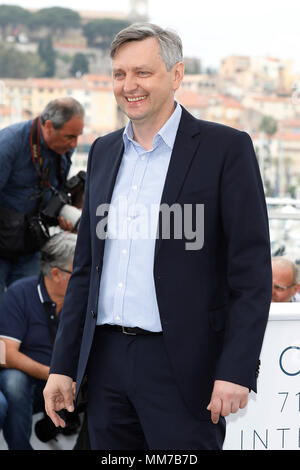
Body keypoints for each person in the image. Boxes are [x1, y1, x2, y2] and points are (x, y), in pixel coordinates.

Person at [44, 23, 272, 450]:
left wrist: (236, 370)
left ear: (177, 75)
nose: (129, 86)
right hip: (107, 365)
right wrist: (64, 365)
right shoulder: (104, 150)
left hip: (185, 368)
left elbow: (252, 275)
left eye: (142, 73)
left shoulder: (227, 149)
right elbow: (87, 271)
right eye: (119, 74)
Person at [0, 97, 84, 302]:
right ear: (48, 126)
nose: (74, 144)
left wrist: (65, 211)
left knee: (26, 305)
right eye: (70, 137)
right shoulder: (9, 144)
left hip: (31, 243)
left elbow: (56, 190)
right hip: (2, 242)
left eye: (77, 137)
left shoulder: (63, 148)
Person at [0, 232, 78, 450]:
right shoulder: (20, 293)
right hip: (31, 377)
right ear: (56, 273)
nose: (86, 278)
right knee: (14, 382)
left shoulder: (83, 299)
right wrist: (53, 374)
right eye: (79, 272)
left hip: (72, 376)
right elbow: (4, 354)